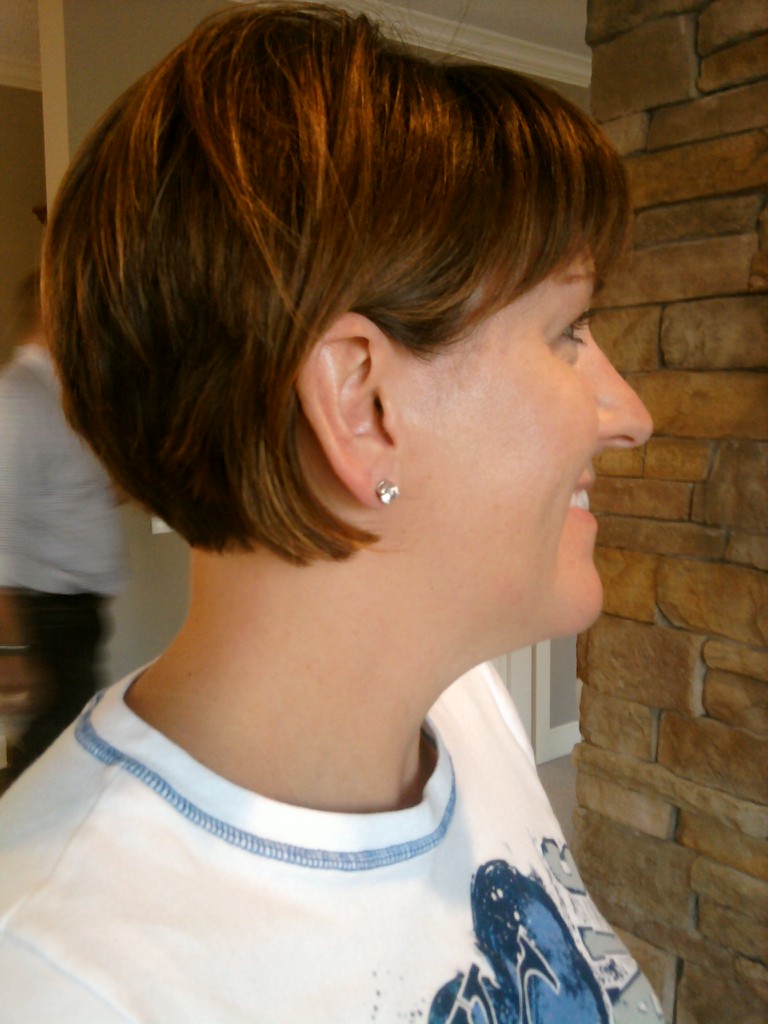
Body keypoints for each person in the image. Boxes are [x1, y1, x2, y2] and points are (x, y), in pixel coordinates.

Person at [0, 5, 659, 1021]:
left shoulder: (464, 710)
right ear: (361, 403)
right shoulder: (61, 985)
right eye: (569, 331)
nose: (631, 416)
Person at [0, 271, 125, 781]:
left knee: (63, 761)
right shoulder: (18, 396)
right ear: (51, 314)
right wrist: (10, 650)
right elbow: (3, 530)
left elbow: (88, 492)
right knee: (51, 766)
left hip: (78, 616)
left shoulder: (63, 396)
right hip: (44, 620)